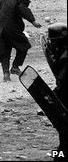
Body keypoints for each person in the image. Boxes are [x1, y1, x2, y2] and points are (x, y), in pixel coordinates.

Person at [0, 0, 42, 82]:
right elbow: (23, 9)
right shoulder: (20, 0)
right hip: (11, 29)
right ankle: (15, 67)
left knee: (5, 50)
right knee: (24, 45)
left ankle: (6, 74)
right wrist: (33, 21)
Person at [44, 23, 67, 159]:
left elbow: (63, 84)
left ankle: (57, 156)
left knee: (64, 140)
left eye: (53, 41)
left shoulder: (65, 58)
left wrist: (52, 97)